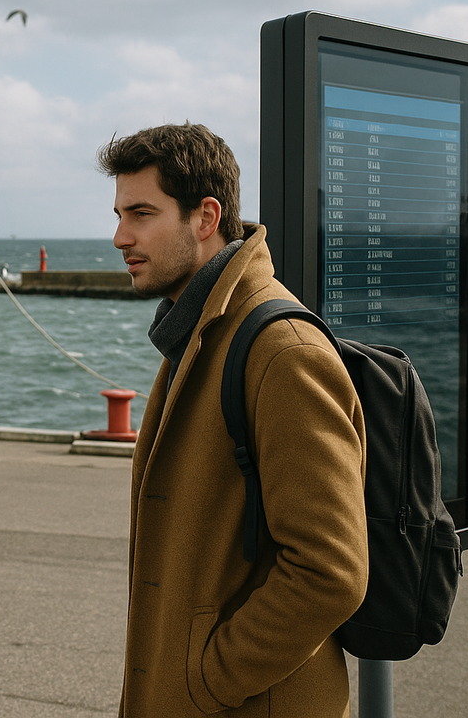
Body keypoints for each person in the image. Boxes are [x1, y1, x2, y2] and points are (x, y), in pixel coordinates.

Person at [98, 123, 369, 717]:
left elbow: (331, 570)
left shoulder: (282, 352)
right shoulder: (201, 329)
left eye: (141, 213)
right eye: (118, 213)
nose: (120, 236)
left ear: (205, 217)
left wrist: (205, 680)